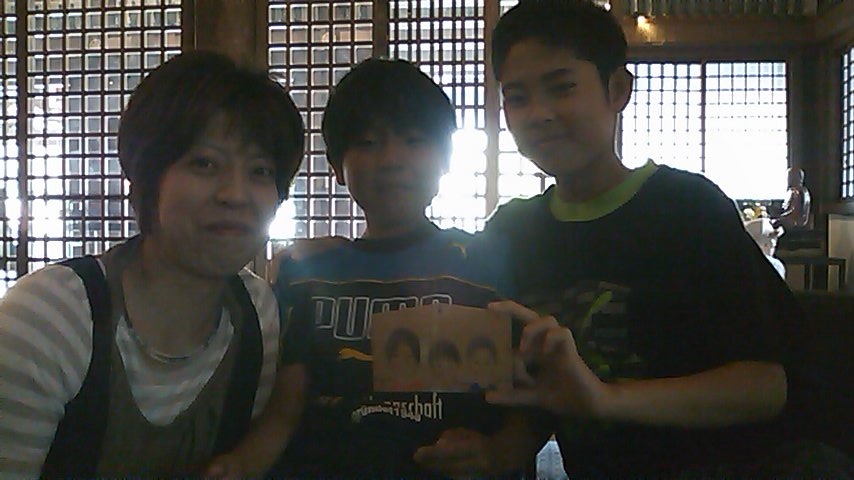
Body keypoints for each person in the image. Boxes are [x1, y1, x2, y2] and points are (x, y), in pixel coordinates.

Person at [478, 0, 848, 477]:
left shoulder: (687, 208)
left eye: (562, 87)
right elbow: (536, 388)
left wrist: (606, 398)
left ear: (617, 90)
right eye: (517, 97)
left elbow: (767, 385)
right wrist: (498, 453)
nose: (538, 114)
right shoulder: (513, 232)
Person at [207, 58, 546, 479]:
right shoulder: (310, 273)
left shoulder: (489, 261)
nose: (391, 159)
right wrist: (240, 465)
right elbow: (286, 406)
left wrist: (499, 453)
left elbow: (536, 393)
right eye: (367, 142)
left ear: (446, 159)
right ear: (337, 166)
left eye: (414, 140)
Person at [0, 51, 305, 477]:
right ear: (147, 176)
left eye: (260, 171)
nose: (235, 195)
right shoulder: (52, 316)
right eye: (204, 163)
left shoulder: (257, 313)